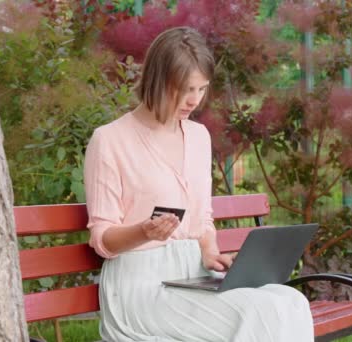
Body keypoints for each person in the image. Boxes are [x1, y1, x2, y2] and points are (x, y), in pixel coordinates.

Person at [84, 26, 314, 342]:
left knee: (291, 302)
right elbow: (102, 239)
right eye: (185, 89)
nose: (194, 100)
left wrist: (209, 252)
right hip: (140, 289)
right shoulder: (110, 140)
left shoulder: (197, 136)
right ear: (157, 80)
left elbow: (202, 219)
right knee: (255, 311)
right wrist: (143, 231)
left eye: (201, 89)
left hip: (193, 277)